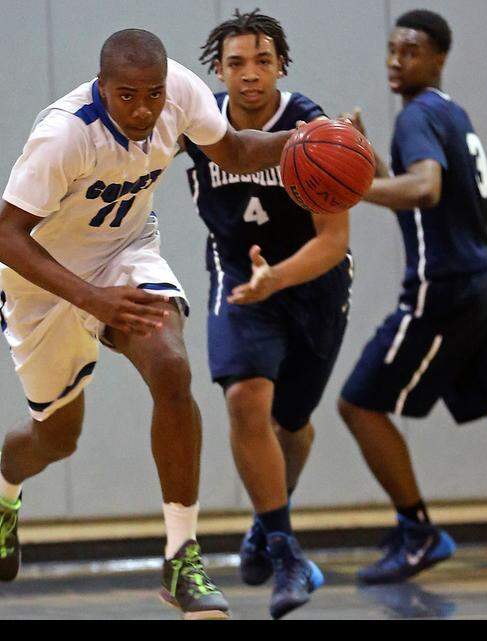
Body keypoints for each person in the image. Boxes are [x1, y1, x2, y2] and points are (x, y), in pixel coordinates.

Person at [0, 28, 293, 620]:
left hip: (125, 255)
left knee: (172, 369)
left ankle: (180, 557)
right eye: (127, 96)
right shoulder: (64, 135)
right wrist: (90, 298)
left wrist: (303, 142)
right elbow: (3, 236)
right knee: (56, 439)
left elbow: (239, 153)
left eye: (153, 93)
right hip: (43, 283)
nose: (144, 109)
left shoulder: (181, 96)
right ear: (103, 88)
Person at [180, 9, 351, 619]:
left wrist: (279, 276)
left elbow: (333, 239)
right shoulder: (198, 123)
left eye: (262, 61)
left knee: (293, 423)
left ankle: (264, 517)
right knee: (245, 398)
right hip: (236, 276)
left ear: (280, 65)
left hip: (312, 283)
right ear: (217, 71)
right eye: (235, 63)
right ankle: (285, 551)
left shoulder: (312, 125)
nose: (249, 74)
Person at [338, 10, 487, 584]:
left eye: (410, 51)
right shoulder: (448, 113)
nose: (396, 59)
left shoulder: (415, 116)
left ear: (438, 58)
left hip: (447, 289)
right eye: (392, 49)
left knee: (359, 404)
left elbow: (425, 189)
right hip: (484, 278)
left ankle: (418, 533)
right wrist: (370, 161)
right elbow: (418, 184)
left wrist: (352, 185)